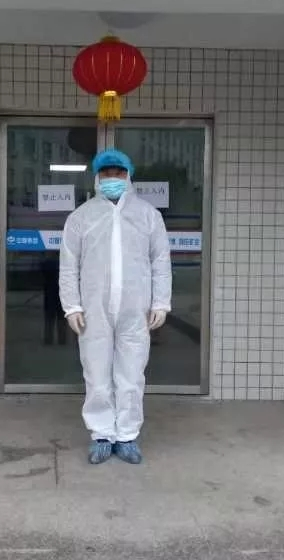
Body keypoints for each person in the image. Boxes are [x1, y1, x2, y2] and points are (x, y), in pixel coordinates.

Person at [58, 148, 172, 465]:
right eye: (106, 173)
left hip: (136, 309)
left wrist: (161, 301)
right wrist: (72, 306)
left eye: (118, 172)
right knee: (96, 375)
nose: (112, 178)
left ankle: (127, 435)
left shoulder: (148, 215)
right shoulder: (81, 217)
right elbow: (68, 265)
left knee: (131, 375)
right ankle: (102, 434)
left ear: (128, 175)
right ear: (97, 177)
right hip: (93, 309)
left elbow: (160, 261)